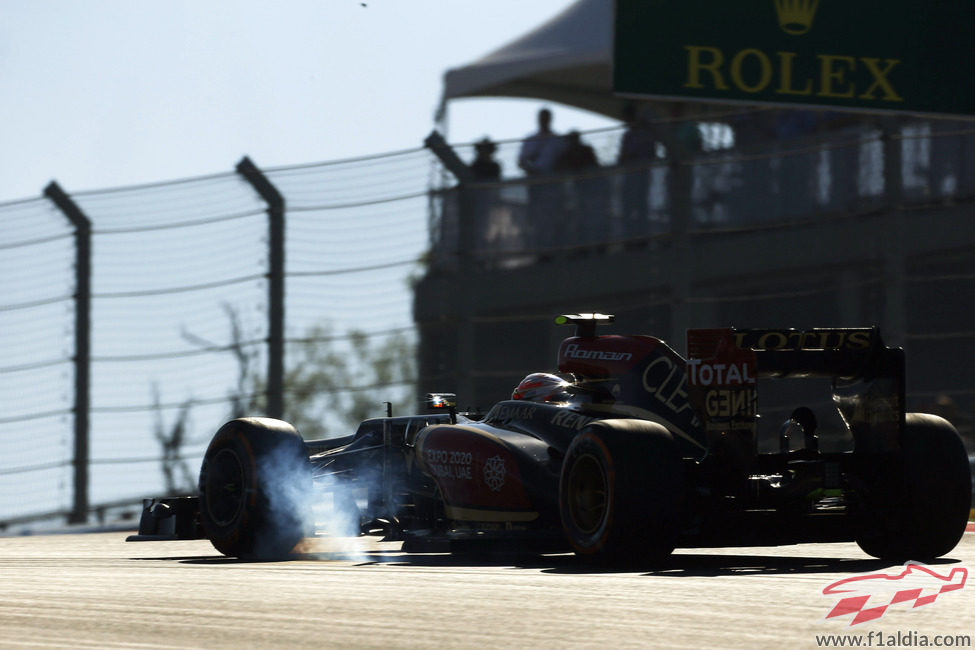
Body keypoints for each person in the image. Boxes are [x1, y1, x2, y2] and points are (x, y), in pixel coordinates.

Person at [518, 109, 565, 251]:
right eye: (541, 117)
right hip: (536, 186)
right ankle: (539, 248)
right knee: (537, 218)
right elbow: (521, 161)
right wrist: (532, 169)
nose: (543, 120)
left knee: (553, 216)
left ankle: (553, 247)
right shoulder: (531, 140)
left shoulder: (557, 140)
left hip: (553, 185)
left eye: (546, 117)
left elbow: (563, 160)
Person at [617, 104, 659, 237]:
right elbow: (622, 157)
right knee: (628, 208)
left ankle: (642, 237)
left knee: (641, 206)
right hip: (630, 176)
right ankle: (629, 236)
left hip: (641, 175)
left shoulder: (645, 134)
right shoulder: (627, 136)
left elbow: (650, 153)